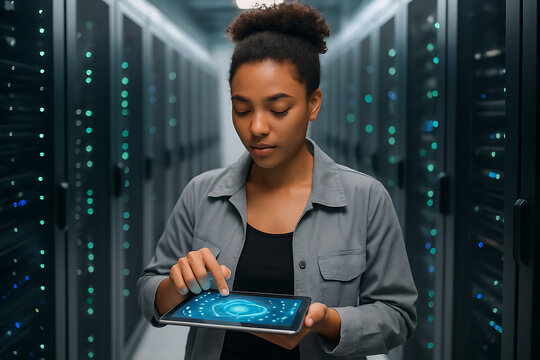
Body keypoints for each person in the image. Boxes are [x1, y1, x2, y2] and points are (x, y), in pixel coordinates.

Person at [137, 2, 417, 359]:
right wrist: (175, 285)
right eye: (241, 109)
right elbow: (149, 289)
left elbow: (398, 314)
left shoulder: (365, 199)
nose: (256, 128)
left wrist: (326, 321)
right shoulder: (201, 193)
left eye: (278, 110)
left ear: (313, 103)